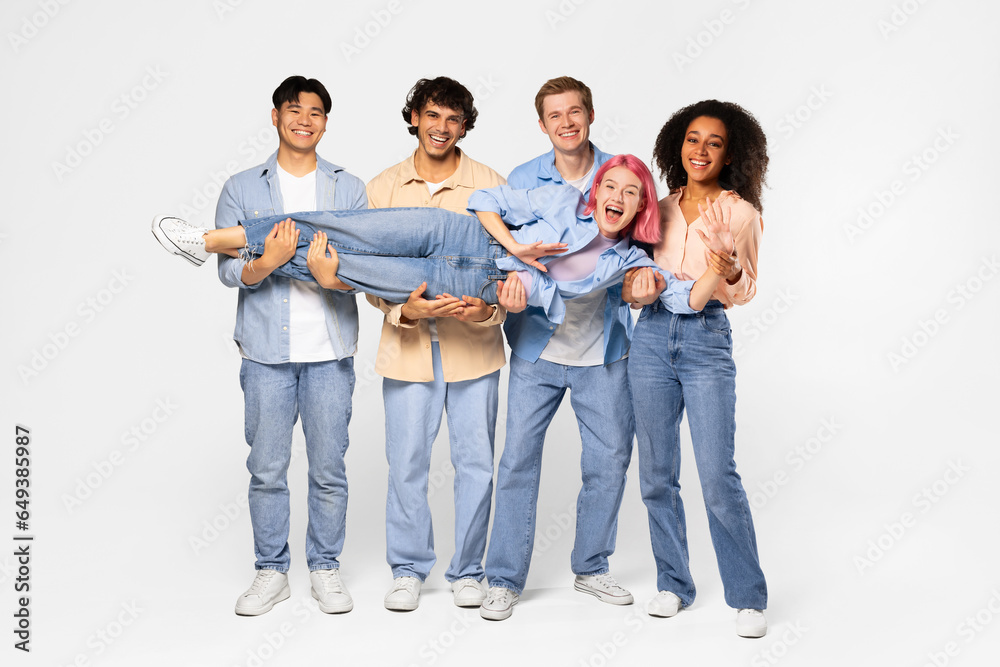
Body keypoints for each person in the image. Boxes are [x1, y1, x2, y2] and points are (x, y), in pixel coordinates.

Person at [203, 75, 366, 617]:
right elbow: (229, 273)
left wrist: (329, 276)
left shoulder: (349, 188)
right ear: (275, 116)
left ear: (325, 121)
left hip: (330, 351)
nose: (305, 119)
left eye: (316, 111)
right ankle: (271, 571)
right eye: (294, 110)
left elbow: (363, 270)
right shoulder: (243, 186)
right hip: (266, 356)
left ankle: (325, 568)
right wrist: (267, 263)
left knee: (328, 469)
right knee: (267, 469)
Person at [623, 99, 770, 638]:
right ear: (676, 146)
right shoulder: (655, 208)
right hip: (652, 337)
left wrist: (727, 271)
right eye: (692, 139)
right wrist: (635, 290)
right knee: (657, 474)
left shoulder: (741, 213)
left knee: (716, 475)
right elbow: (633, 275)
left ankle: (748, 596)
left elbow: (748, 287)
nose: (700, 150)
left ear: (729, 153)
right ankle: (673, 583)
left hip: (706, 337)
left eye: (713, 142)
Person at [365, 77, 507, 611]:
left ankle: (468, 570)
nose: (441, 128)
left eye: (453, 119)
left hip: (475, 348)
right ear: (414, 118)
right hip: (406, 348)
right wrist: (403, 307)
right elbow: (365, 272)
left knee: (476, 463)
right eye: (432, 115)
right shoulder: (381, 189)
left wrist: (488, 308)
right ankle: (407, 569)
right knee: (406, 462)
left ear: (464, 125)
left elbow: (507, 269)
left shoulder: (491, 185)